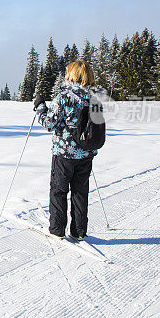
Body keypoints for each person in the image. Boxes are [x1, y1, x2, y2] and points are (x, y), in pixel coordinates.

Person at [33, 61, 99, 240]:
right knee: (80, 192)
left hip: (64, 153)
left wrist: (40, 107)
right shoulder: (94, 97)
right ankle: (79, 231)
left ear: (72, 74)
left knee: (59, 190)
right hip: (86, 153)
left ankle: (57, 229)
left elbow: (50, 123)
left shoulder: (64, 96)